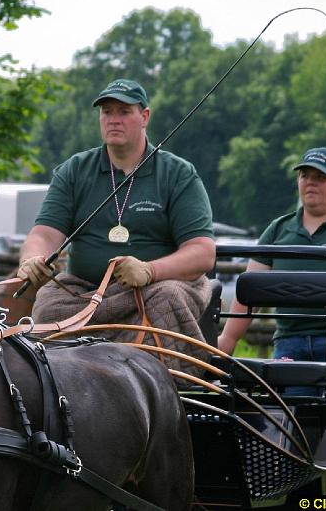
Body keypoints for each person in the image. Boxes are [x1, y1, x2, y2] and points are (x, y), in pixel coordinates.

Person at [18, 78, 216, 379]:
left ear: (144, 117)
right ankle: (57, 393)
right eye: (107, 112)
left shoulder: (178, 174)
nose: (113, 119)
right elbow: (44, 234)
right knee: (48, 304)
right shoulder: (74, 170)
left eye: (123, 111)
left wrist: (150, 270)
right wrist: (32, 259)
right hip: (86, 291)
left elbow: (202, 253)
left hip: (157, 287)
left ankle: (162, 392)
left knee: (167, 299)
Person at [218, 147, 326, 402]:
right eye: (305, 175)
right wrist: (229, 337)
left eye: (321, 177)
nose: (311, 182)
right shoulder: (278, 229)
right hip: (292, 343)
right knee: (289, 426)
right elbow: (250, 290)